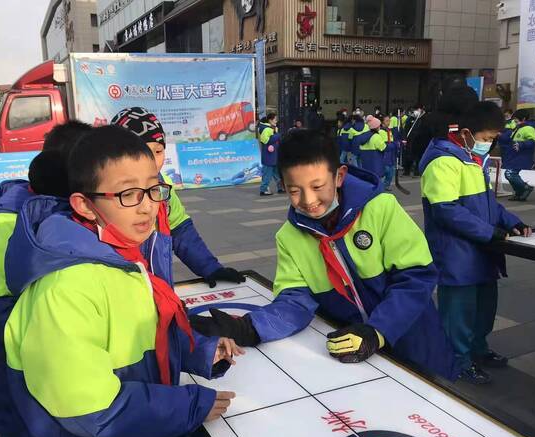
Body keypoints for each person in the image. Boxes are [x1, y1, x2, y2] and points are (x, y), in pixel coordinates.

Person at [3, 125, 241, 437]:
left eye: (153, 189)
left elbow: (143, 339)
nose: (147, 207)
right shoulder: (66, 287)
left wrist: (201, 351)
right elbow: (92, 409)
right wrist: (188, 406)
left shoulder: (125, 257)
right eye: (128, 193)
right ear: (84, 204)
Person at [191, 129, 459, 381]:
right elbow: (295, 301)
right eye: (294, 190)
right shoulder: (289, 236)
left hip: (413, 334)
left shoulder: (380, 208)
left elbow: (416, 277)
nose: (308, 200)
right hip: (352, 346)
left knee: (439, 401)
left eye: (318, 186)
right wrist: (251, 328)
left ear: (339, 176)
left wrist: (378, 330)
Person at [0, 120, 93, 437]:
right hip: (13, 377)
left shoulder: (64, 208)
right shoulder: (2, 222)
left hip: (58, 377)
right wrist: (55, 325)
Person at [419, 101, 531, 384]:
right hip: (457, 254)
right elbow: (446, 210)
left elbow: (487, 205)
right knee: (458, 314)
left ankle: (478, 350)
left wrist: (510, 221)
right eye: (487, 138)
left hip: (481, 251)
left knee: (484, 309)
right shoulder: (443, 161)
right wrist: (488, 232)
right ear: (467, 132)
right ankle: (457, 361)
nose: (490, 144)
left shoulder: (471, 158)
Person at [112, 106, 246, 287]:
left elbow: (180, 231)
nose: (152, 160)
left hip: (158, 291)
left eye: (158, 151)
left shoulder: (163, 186)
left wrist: (210, 267)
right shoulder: (105, 194)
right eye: (142, 152)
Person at [502, 109, 535, 201]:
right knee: (510, 174)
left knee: (510, 173)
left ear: (524, 118)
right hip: (514, 156)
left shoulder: (529, 128)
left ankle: (525, 188)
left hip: (522, 156)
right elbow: (509, 139)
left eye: (516, 119)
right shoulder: (518, 127)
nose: (514, 121)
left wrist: (521, 144)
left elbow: (533, 141)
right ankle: (520, 193)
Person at [258, 112, 284, 196]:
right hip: (268, 156)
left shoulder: (272, 128)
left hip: (274, 155)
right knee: (267, 174)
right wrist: (277, 136)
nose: (276, 121)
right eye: (275, 119)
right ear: (270, 120)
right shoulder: (266, 129)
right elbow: (265, 140)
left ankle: (280, 188)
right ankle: (263, 189)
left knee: (277, 173)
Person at [379, 114, 398, 191]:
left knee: (391, 171)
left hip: (391, 154)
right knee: (386, 171)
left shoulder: (389, 130)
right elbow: (385, 144)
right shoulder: (381, 131)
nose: (389, 122)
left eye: (389, 120)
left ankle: (386, 186)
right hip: (385, 154)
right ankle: (381, 187)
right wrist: (395, 144)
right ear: (382, 122)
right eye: (387, 121)